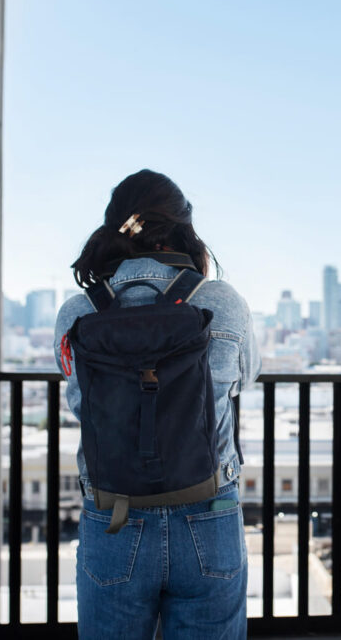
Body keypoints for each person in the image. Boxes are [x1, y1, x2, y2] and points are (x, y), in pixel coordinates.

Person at [54, 169, 260, 638]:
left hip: (114, 517)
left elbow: (78, 397)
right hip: (208, 511)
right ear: (184, 228)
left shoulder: (78, 312)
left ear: (113, 229)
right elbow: (245, 376)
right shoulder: (222, 302)